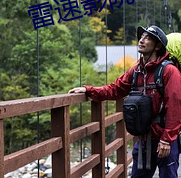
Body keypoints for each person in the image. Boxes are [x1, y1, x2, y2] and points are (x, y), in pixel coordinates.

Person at [68, 25, 181, 178]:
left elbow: (175, 106)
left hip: (164, 139)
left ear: (158, 46)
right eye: (141, 37)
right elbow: (115, 89)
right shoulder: (136, 71)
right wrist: (88, 90)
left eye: (147, 38)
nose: (141, 40)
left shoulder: (169, 71)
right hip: (144, 139)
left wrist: (167, 140)